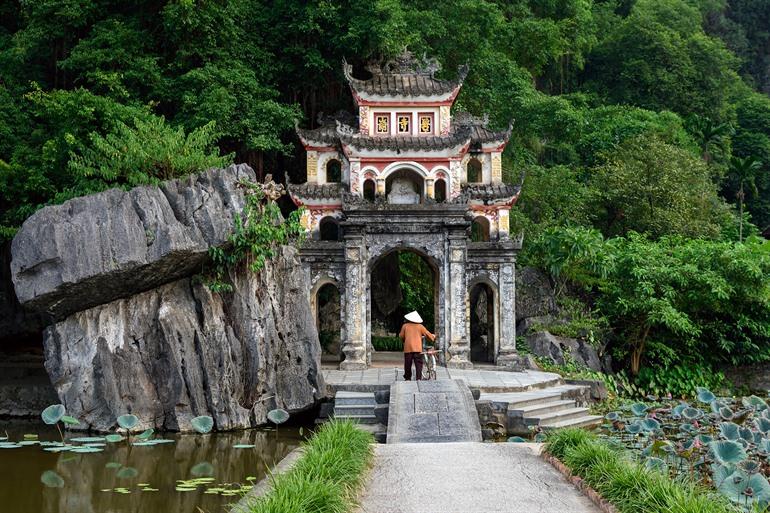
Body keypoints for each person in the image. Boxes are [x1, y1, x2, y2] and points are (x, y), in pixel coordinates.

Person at [399, 311, 436, 381]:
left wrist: (405, 340)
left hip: (408, 348)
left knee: (407, 364)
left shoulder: (405, 326)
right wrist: (433, 337)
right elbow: (427, 333)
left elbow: (401, 336)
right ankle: (418, 378)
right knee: (418, 364)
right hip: (417, 349)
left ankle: (407, 378)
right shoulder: (420, 326)